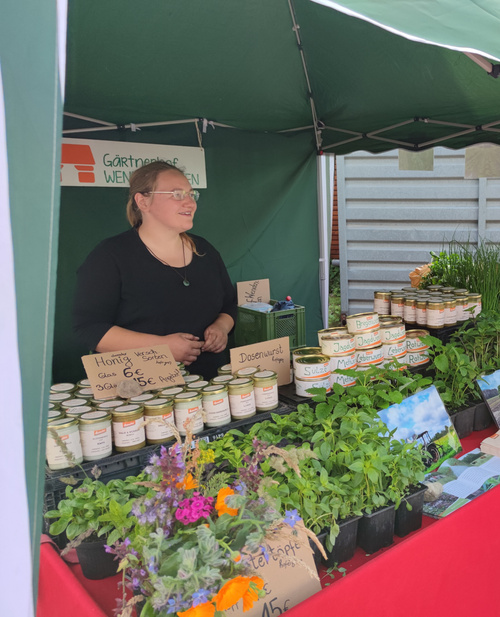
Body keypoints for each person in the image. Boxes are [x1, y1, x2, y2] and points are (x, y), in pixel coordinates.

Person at [73, 161, 237, 380]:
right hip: (140, 390)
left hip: (211, 388)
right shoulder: (110, 256)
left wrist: (221, 327)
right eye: (177, 194)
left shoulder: (205, 250)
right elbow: (89, 329)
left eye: (191, 194)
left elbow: (229, 304)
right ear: (143, 202)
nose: (190, 202)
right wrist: (161, 347)